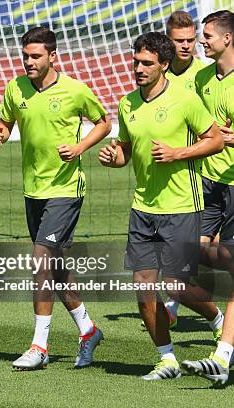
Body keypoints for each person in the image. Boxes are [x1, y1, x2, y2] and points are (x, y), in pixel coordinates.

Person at [98, 32, 223, 381]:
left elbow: (214, 140)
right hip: (143, 207)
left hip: (182, 205)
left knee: (175, 285)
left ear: (164, 65)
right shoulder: (127, 104)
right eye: (136, 61)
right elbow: (124, 148)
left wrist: (177, 154)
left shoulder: (185, 100)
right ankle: (166, 359)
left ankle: (217, 319)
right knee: (142, 287)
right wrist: (114, 156)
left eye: (146, 63)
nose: (138, 68)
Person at [0, 26, 110, 370]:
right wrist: (1, 133)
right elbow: (6, 121)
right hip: (33, 189)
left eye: (35, 56)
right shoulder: (15, 87)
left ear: (53, 56)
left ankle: (39, 346)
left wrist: (79, 147)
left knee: (41, 259)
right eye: (25, 56)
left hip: (65, 188)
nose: (28, 62)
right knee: (55, 271)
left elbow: (103, 123)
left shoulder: (75, 90)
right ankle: (88, 329)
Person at [161, 10, 225, 337]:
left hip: (206, 170)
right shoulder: (159, 75)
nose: (187, 47)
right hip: (178, 172)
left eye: (191, 41)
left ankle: (177, 305)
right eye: (180, 41)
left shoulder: (206, 73)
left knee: (193, 247)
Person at [181, 10, 234, 385]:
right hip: (206, 184)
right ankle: (220, 324)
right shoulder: (201, 78)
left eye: (208, 36)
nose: (202, 41)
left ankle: (223, 354)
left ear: (228, 39)